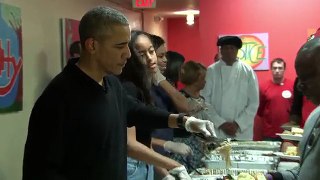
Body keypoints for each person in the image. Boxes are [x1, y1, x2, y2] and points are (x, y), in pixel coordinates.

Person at [22, 6, 215, 180]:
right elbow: (40, 171)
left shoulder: (111, 83)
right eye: (120, 46)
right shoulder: (58, 98)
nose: (128, 54)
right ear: (92, 46)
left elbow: (137, 111)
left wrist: (185, 121)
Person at [119, 30, 191, 180]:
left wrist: (164, 173)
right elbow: (131, 144)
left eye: (151, 52)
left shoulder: (144, 84)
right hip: (132, 164)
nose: (151, 58)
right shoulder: (128, 88)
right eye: (141, 54)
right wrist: (172, 163)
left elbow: (144, 139)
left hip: (146, 162)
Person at [266, 38, 320, 180]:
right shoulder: (314, 117)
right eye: (299, 79)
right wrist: (277, 177)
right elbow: (306, 170)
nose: (300, 86)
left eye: (307, 77)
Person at [201, 36, 259, 140]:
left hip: (241, 131)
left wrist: (238, 124)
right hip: (217, 130)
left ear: (237, 50)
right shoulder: (211, 70)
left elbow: (253, 102)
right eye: (225, 48)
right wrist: (221, 123)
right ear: (220, 50)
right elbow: (204, 100)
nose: (229, 51)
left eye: (232, 48)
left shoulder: (248, 71)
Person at [171, 61, 213, 170]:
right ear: (195, 79)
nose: (205, 81)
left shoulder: (202, 99)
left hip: (200, 145)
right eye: (203, 78)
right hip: (184, 144)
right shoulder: (181, 99)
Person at [257, 58, 294, 141]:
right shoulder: (263, 87)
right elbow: (260, 111)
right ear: (271, 69)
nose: (277, 70)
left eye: (280, 68)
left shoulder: (292, 85)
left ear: (284, 69)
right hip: (269, 133)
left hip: (289, 133)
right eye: (275, 68)